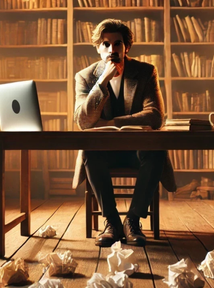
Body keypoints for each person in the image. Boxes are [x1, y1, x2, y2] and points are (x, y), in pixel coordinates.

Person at [71, 19, 176, 247]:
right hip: (104, 153)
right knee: (90, 149)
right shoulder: (85, 77)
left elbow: (155, 115)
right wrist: (103, 81)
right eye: (105, 44)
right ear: (98, 47)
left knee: (156, 151)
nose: (112, 50)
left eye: (117, 44)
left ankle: (133, 220)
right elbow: (83, 121)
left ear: (126, 47)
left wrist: (110, 122)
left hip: (137, 151)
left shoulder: (146, 72)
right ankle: (111, 222)